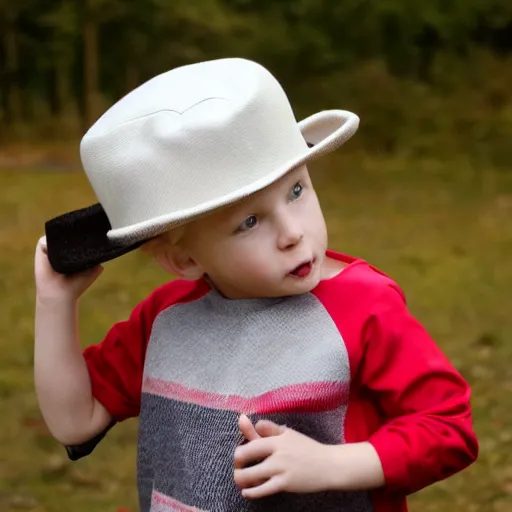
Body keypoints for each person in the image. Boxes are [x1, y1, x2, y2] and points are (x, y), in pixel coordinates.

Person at [34, 58, 478, 512]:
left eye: (297, 191)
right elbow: (76, 421)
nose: (292, 233)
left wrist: (333, 464)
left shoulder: (364, 306)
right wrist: (54, 303)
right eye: (249, 221)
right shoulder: (166, 319)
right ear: (183, 259)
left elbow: (449, 428)